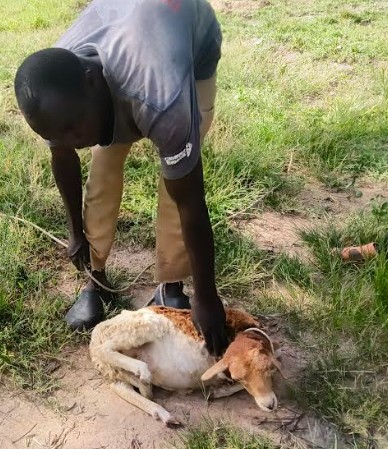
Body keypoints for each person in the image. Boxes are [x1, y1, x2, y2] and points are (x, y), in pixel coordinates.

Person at [13, 0, 228, 355]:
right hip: (126, 38)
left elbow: (190, 198)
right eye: (56, 134)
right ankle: (95, 279)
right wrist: (75, 233)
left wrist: (207, 297)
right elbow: (63, 153)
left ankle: (171, 285)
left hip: (190, 47)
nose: (71, 141)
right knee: (103, 169)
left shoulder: (162, 98)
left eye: (73, 129)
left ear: (92, 82)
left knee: (175, 182)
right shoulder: (55, 92)